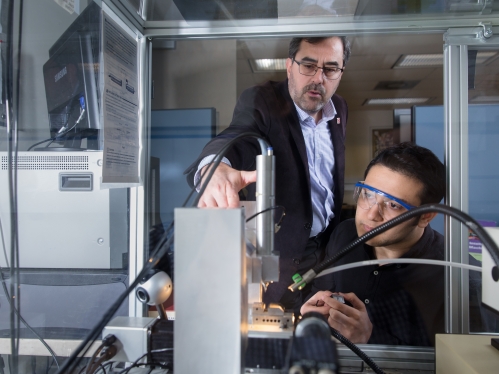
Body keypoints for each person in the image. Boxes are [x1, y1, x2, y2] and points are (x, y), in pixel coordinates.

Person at [185, 36, 351, 310]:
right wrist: (215, 168)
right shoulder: (264, 101)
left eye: (331, 69)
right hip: (279, 254)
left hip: (324, 252)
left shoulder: (339, 109)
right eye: (308, 65)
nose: (319, 78)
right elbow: (239, 135)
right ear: (289, 66)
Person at [301, 143, 448, 346]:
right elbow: (320, 291)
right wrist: (314, 316)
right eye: (368, 195)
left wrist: (369, 338)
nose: (371, 215)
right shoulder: (345, 235)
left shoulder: (453, 278)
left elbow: (452, 363)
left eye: (393, 205)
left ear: (425, 217)